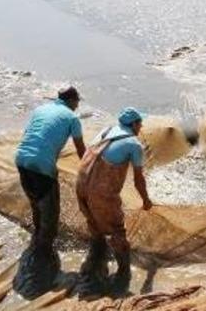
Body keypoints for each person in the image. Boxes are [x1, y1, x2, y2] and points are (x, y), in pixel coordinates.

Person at [12, 86, 86, 298]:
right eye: (77, 101)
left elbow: (33, 136)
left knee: (36, 203)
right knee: (51, 215)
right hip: (42, 166)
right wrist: (88, 172)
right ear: (72, 100)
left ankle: (37, 238)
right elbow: (81, 150)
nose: (78, 104)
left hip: (22, 160)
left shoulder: (41, 110)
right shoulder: (72, 117)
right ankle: (43, 257)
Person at [75, 107, 153, 296]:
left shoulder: (106, 131)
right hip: (101, 194)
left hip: (81, 184)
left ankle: (96, 258)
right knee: (117, 231)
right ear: (134, 124)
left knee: (94, 223)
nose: (141, 126)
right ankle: (123, 273)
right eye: (140, 123)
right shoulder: (133, 144)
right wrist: (146, 200)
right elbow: (138, 179)